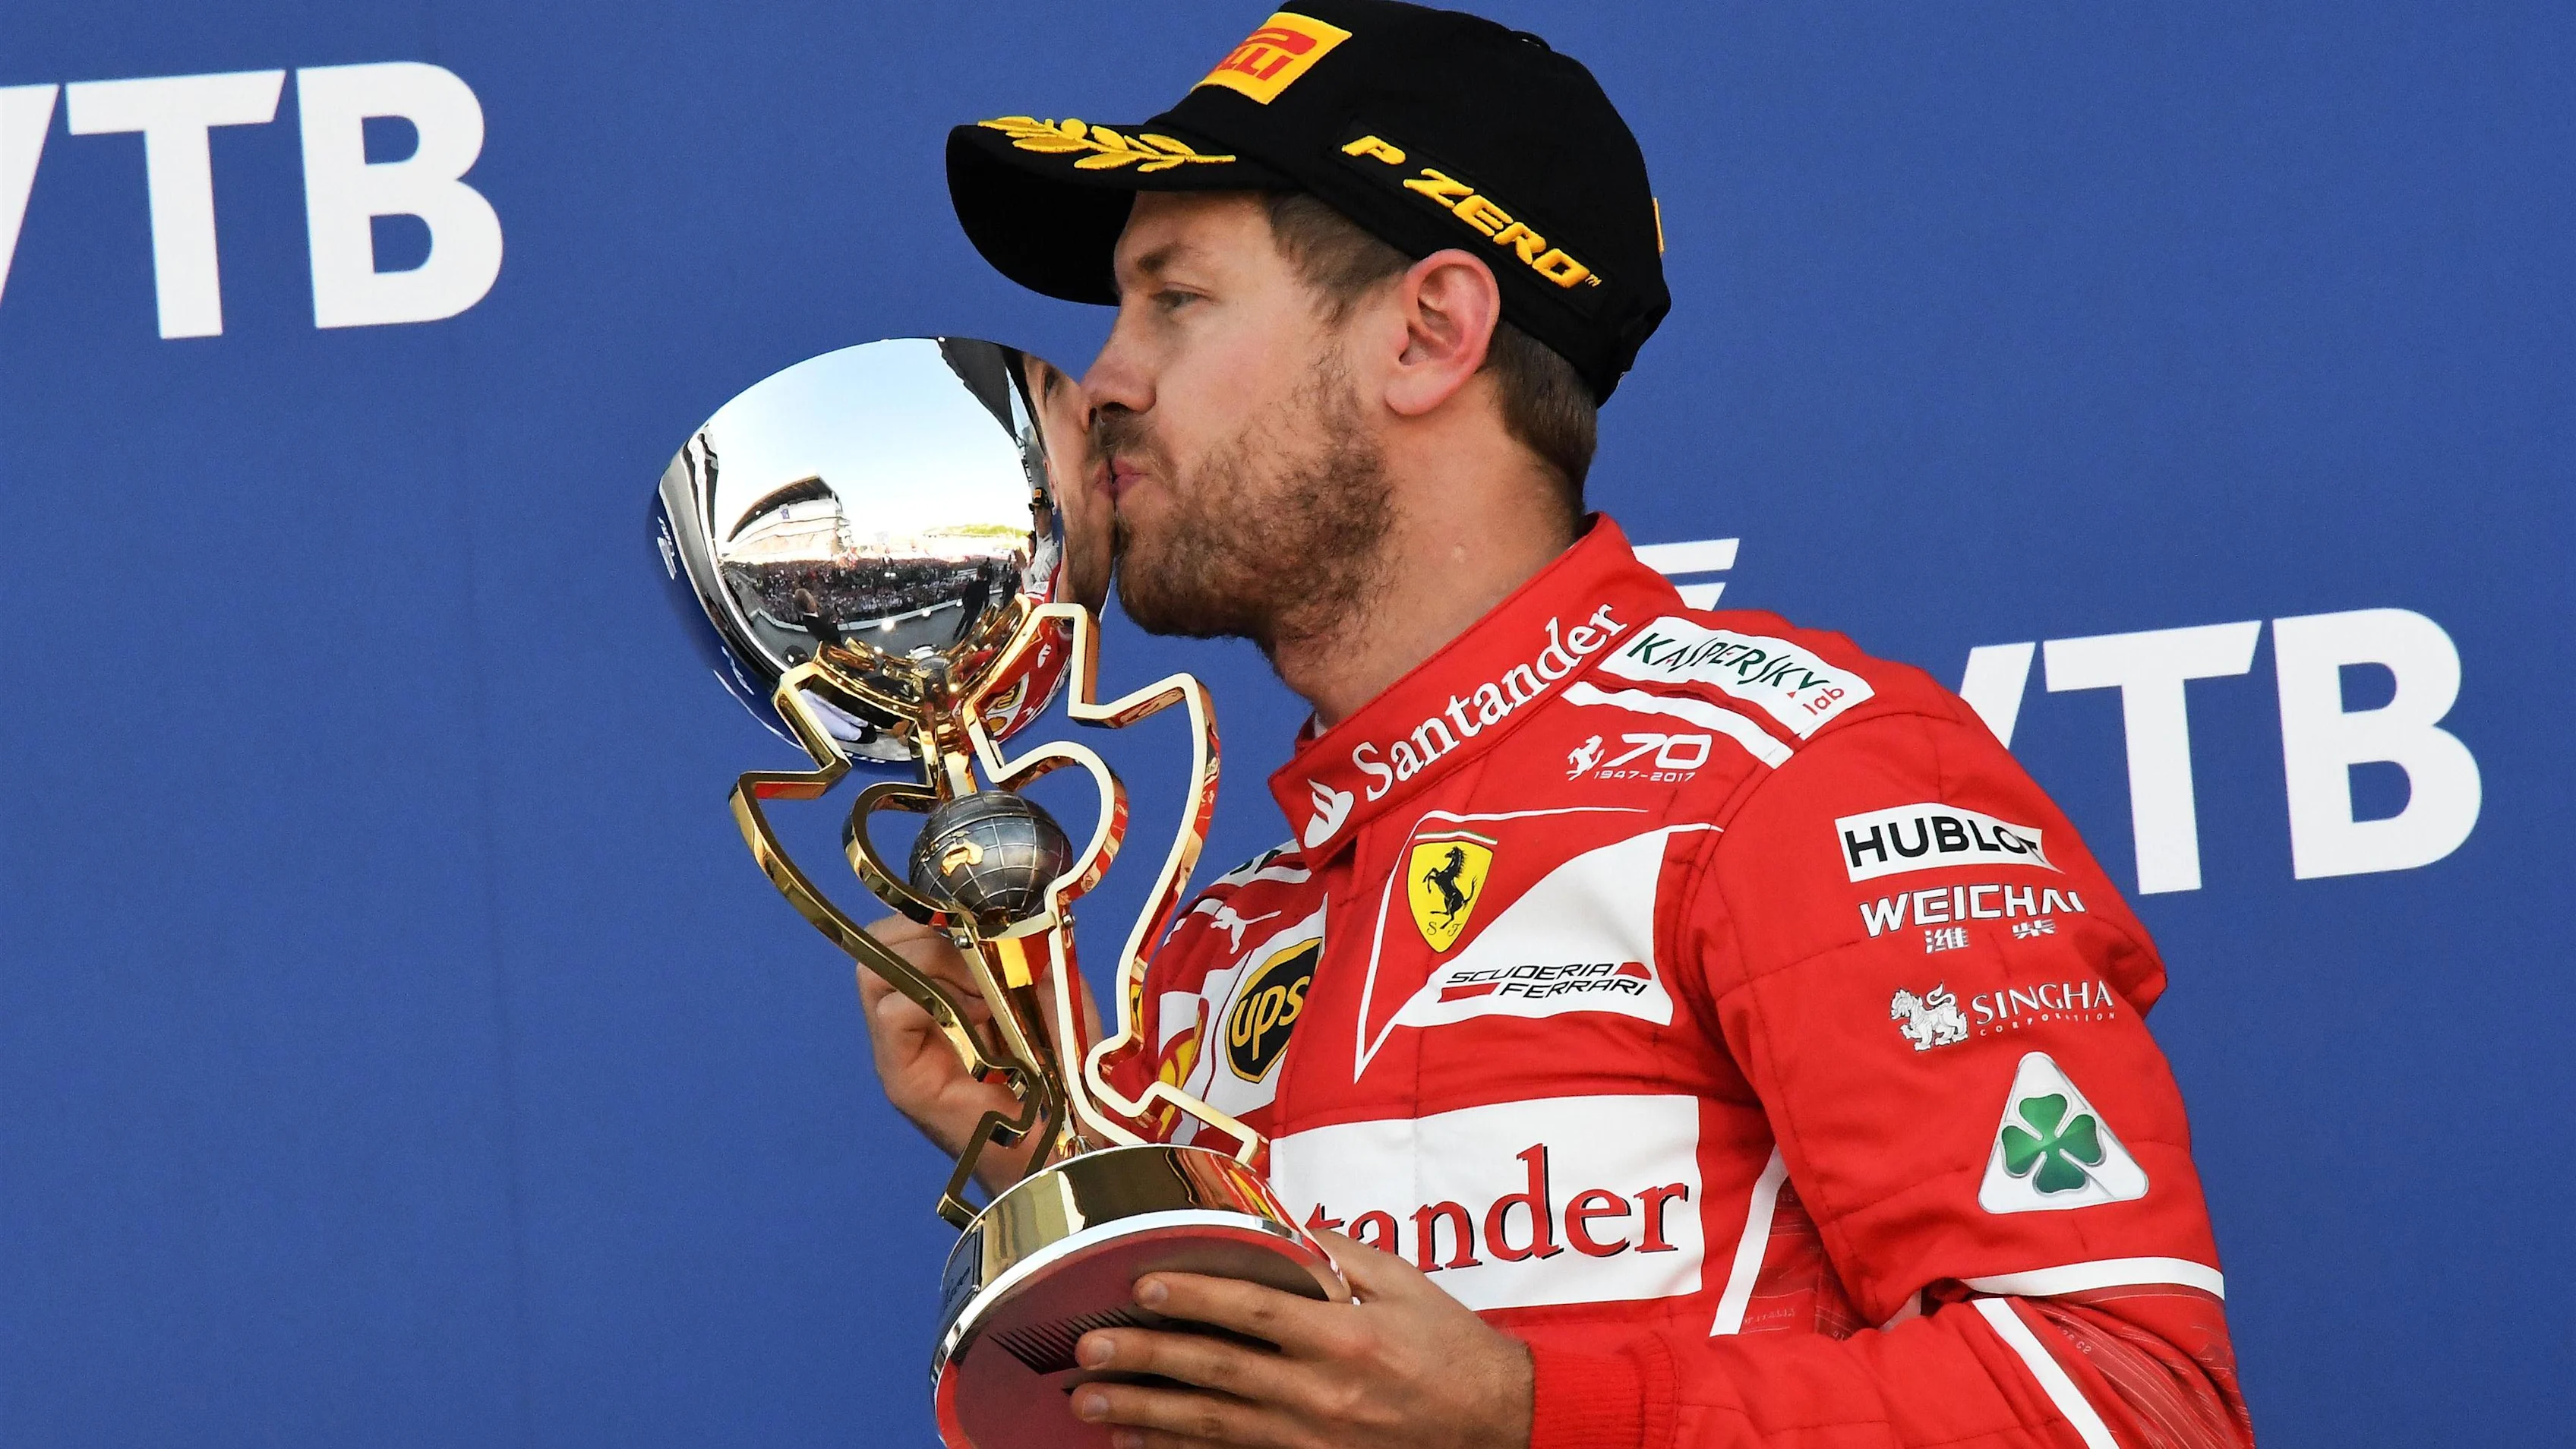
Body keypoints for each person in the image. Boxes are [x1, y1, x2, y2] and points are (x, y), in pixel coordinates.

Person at [866, 3, 2258, 1446]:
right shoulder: (1222, 948)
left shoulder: (1792, 782)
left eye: (1174, 299)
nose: (1106, 379)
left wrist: (1531, 1415)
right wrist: (1051, 1152)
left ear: (1429, 334)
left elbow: (2130, 1400)